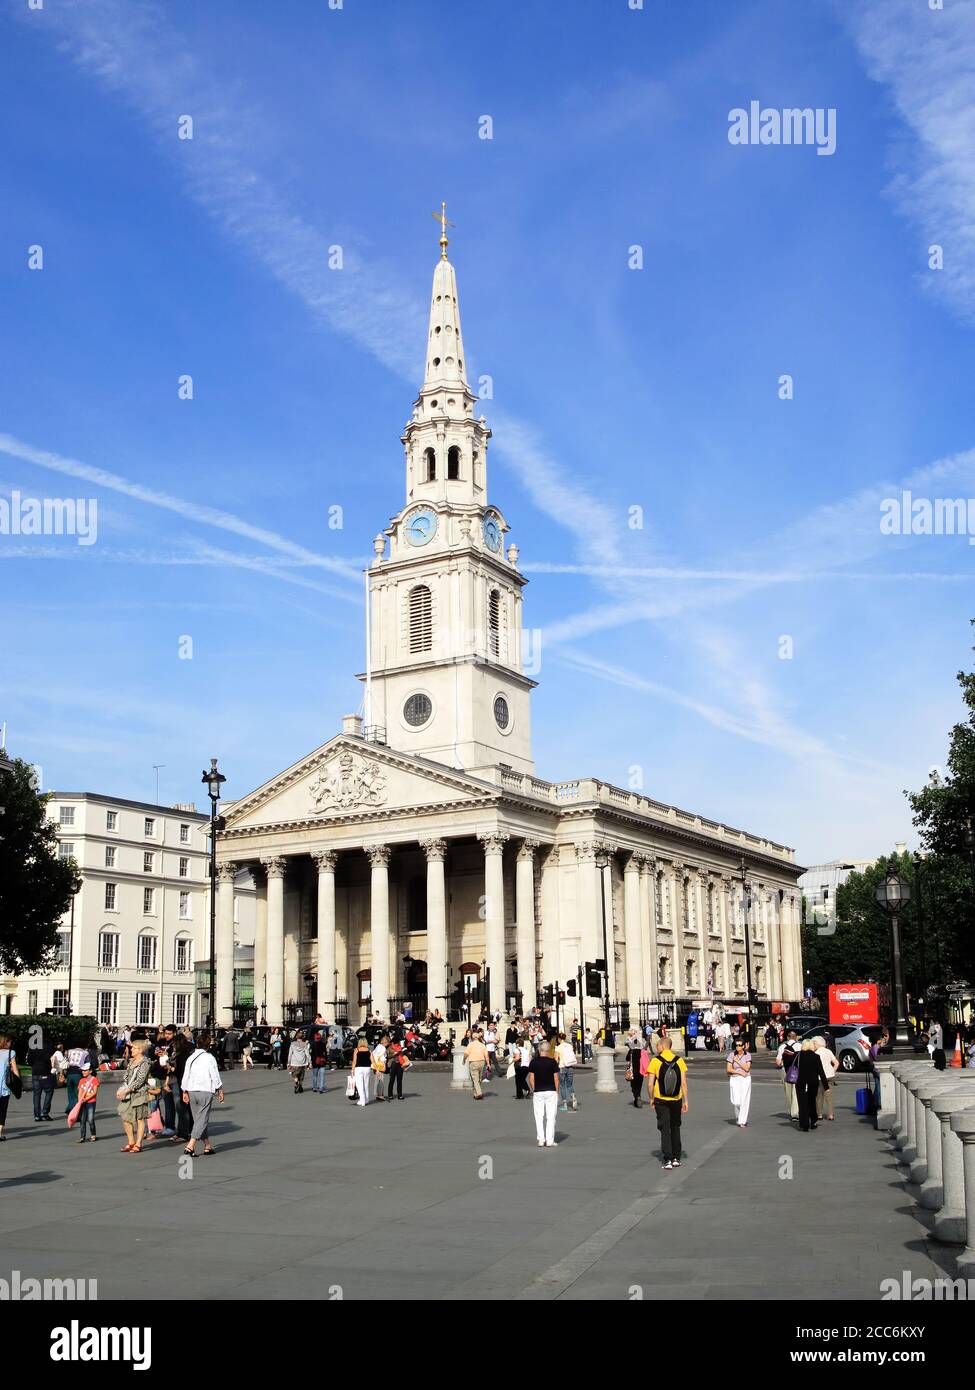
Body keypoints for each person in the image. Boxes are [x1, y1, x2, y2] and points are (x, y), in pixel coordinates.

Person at [646, 1038, 688, 1169]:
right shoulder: (679, 1060)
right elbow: (683, 1083)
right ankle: (676, 1157)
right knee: (675, 1127)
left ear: (662, 1046)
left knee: (664, 1128)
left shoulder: (655, 1061)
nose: (656, 1047)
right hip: (676, 1099)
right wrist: (686, 1100)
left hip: (661, 1099)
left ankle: (668, 1159)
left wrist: (651, 1098)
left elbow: (650, 1084)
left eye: (657, 1045)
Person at [181, 1033, 225, 1155]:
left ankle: (207, 1145)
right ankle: (190, 1145)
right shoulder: (209, 1058)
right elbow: (214, 1074)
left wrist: (184, 1090)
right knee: (202, 1119)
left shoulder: (191, 1057)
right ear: (208, 1045)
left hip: (191, 1089)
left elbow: (186, 1075)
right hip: (205, 1089)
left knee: (198, 1119)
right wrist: (220, 1088)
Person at [117, 1038, 152, 1153]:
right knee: (125, 1117)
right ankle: (131, 1141)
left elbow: (140, 1080)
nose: (131, 1049)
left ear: (140, 1050)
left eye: (134, 1048)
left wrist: (126, 1091)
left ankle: (138, 1143)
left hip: (139, 1093)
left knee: (139, 1119)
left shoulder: (145, 1062)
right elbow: (126, 1077)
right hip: (128, 1092)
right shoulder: (131, 1061)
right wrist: (122, 1089)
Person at [527, 1040, 560, 1147]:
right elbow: (556, 1079)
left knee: (539, 1116)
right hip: (551, 1090)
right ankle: (550, 1140)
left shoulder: (534, 1062)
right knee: (551, 1116)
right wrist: (557, 1092)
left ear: (539, 1050)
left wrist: (534, 1089)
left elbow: (531, 1078)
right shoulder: (553, 1062)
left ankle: (541, 1139)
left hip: (538, 1091)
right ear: (548, 1050)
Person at [795, 1039, 822, 1132]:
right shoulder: (816, 1056)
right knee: (811, 1102)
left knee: (802, 1104)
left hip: (800, 1082)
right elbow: (820, 1072)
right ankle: (813, 1121)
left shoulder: (798, 1055)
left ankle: (804, 1124)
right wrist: (826, 1086)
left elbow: (791, 1065)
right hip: (812, 1083)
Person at [776, 1029, 801, 1123]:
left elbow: (778, 1062)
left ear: (787, 1037)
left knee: (788, 1093)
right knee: (795, 1092)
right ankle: (796, 1113)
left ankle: (791, 1111)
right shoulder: (800, 1045)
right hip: (796, 1071)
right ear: (796, 1037)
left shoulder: (782, 1046)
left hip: (785, 1071)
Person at [812, 1035, 839, 1120]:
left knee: (819, 1096)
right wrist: (832, 1071)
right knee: (829, 1096)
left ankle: (819, 1114)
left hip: (820, 1077)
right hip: (830, 1075)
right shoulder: (828, 1051)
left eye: (813, 1043)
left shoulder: (816, 1053)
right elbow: (836, 1063)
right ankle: (831, 1115)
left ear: (816, 1043)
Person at [28, 1038, 55, 1121]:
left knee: (36, 1094)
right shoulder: (48, 1046)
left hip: (35, 1072)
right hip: (45, 1072)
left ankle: (37, 1115)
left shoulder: (32, 1047)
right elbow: (49, 1059)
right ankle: (45, 1112)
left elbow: (29, 1061)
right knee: (49, 1092)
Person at [727, 1037, 752, 1127]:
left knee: (744, 1100)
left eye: (740, 1045)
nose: (738, 1047)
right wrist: (738, 1071)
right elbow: (729, 1069)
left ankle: (742, 1121)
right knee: (736, 1101)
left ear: (743, 1046)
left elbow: (747, 1068)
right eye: (736, 1045)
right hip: (735, 1078)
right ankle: (739, 1117)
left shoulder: (747, 1055)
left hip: (745, 1079)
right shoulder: (731, 1055)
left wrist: (738, 1061)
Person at [0, 1033, 21, 1141]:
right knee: (2, 1110)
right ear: (6, 1042)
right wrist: (18, 1082)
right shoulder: (10, 1053)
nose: (11, 1043)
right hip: (4, 1086)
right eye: (9, 1042)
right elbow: (15, 1069)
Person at [75, 1062, 99, 1142]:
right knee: (82, 1120)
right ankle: (82, 1137)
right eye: (82, 1070)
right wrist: (79, 1101)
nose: (83, 1072)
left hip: (91, 1102)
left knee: (90, 1119)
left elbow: (94, 1092)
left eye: (85, 1070)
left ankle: (93, 1135)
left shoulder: (94, 1080)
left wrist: (86, 1099)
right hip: (82, 1103)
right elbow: (80, 1092)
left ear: (90, 1071)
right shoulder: (81, 1080)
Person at [464, 1028, 489, 1101]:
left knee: (475, 1079)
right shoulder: (482, 1045)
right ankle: (476, 1094)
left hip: (473, 1062)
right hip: (481, 1062)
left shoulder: (470, 1044)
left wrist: (464, 1059)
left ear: (472, 1037)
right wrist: (488, 1064)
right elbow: (486, 1055)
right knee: (479, 1078)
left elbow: (466, 1053)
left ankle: (479, 1093)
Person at [555, 1032, 578, 1112]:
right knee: (569, 1084)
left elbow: (556, 1059)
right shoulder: (570, 1046)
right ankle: (573, 1097)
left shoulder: (558, 1047)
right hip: (570, 1066)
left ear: (559, 1039)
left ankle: (565, 1104)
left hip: (562, 1067)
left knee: (562, 1085)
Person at [352, 1036, 373, 1106]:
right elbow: (372, 1060)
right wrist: (376, 1069)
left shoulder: (357, 1050)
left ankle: (362, 1100)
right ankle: (366, 1099)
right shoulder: (369, 1050)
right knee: (366, 1084)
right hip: (367, 1068)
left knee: (359, 1085)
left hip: (359, 1068)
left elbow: (354, 1061)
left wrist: (352, 1070)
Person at [625, 1035, 645, 1108]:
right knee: (639, 1085)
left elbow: (627, 1058)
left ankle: (636, 1096)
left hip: (633, 1070)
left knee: (633, 1085)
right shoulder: (641, 1051)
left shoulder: (631, 1051)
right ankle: (638, 1095)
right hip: (641, 1071)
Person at [371, 1034, 389, 1102]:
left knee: (377, 1080)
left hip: (375, 1065)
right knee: (381, 1080)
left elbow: (373, 1054)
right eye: (387, 1042)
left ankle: (378, 1094)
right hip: (380, 1065)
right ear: (385, 1042)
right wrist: (384, 1065)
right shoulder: (383, 1048)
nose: (387, 1044)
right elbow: (383, 1058)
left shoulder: (378, 1046)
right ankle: (380, 1095)